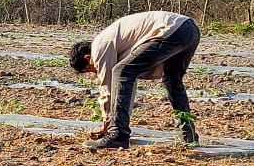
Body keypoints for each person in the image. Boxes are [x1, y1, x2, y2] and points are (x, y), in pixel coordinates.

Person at [69, 11, 201, 150]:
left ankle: (118, 135)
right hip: (189, 30)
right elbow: (125, 85)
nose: (95, 71)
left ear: (87, 57)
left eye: (90, 69)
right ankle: (188, 135)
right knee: (172, 80)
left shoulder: (99, 46)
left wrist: (107, 122)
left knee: (121, 71)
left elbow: (108, 85)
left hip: (171, 29)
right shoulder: (112, 39)